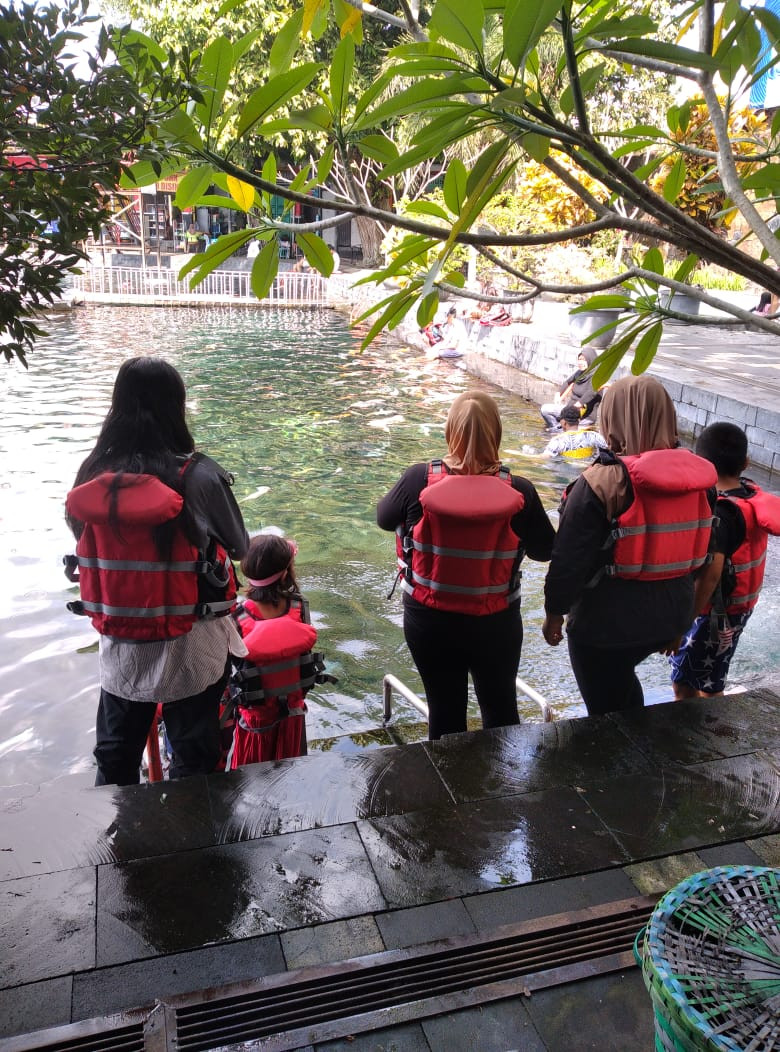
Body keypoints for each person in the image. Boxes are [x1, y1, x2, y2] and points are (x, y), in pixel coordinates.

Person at [64, 357, 250, 786]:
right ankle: (193, 841)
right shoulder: (199, 475)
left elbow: (81, 539)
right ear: (177, 406)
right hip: (192, 641)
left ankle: (119, 842)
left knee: (115, 755)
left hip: (121, 639)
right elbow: (239, 547)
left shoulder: (92, 475)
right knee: (195, 755)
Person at [377, 391, 556, 739]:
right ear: (497, 433)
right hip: (496, 623)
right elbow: (545, 551)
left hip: (429, 620)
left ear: (449, 432)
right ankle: (504, 788)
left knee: (444, 712)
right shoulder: (520, 492)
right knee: (501, 709)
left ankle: (447, 789)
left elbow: (385, 519)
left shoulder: (418, 480)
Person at [542, 374, 717, 716]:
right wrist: (683, 622)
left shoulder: (600, 483)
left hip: (606, 627)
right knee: (623, 689)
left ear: (612, 419)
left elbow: (568, 561)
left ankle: (628, 760)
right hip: (672, 616)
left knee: (610, 710)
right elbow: (706, 560)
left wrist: (553, 613)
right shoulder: (701, 481)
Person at [670, 422, 780, 698]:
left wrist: (684, 622)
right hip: (738, 610)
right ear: (745, 462)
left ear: (700, 462)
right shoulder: (749, 495)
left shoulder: (720, 511)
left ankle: (690, 738)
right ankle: (715, 729)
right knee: (711, 681)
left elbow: (711, 574)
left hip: (711, 614)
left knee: (684, 685)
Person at [226, 532, 334, 767]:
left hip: (255, 723)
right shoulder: (300, 607)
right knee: (290, 776)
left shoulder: (236, 617)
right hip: (293, 716)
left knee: (251, 781)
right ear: (285, 572)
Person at [539, 349, 602, 430]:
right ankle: (556, 428)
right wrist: (558, 393)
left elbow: (591, 393)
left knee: (567, 429)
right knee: (545, 409)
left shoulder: (597, 376)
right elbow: (568, 382)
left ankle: (558, 430)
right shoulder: (579, 373)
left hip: (584, 416)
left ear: (591, 360)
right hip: (569, 409)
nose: (580, 362)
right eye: (579, 359)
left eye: (584, 360)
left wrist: (579, 403)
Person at [541, 403, 608, 459]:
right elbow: (607, 450)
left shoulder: (557, 441)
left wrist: (530, 457)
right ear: (579, 420)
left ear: (563, 422)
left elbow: (545, 457)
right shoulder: (594, 435)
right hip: (587, 469)